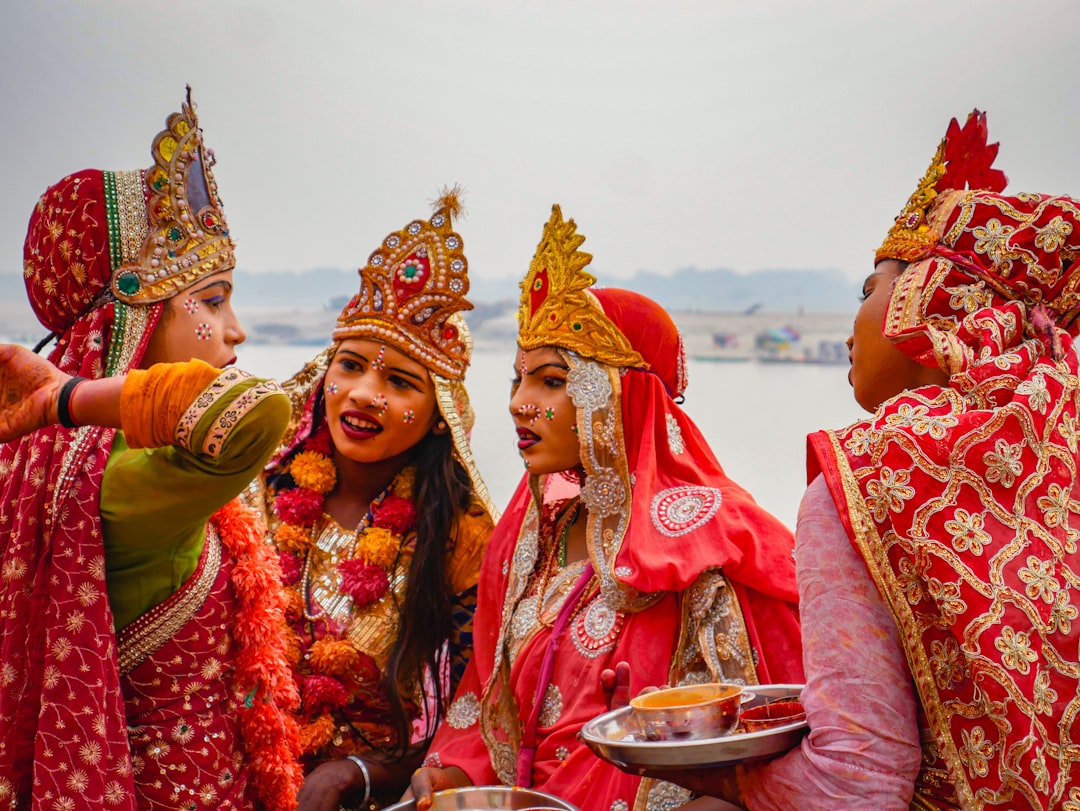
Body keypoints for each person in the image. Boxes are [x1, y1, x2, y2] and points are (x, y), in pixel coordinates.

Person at [656, 111, 1080, 810]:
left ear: (931, 300)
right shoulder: (1054, 450)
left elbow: (857, 783)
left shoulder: (869, 479)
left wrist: (719, 782)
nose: (852, 321)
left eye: (869, 289)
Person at [407, 205, 804, 810]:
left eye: (550, 381)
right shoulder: (525, 546)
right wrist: (451, 778)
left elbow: (764, 738)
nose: (520, 403)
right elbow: (483, 710)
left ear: (616, 394)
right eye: (517, 380)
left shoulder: (714, 537)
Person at [0, 89, 301, 811]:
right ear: (138, 313)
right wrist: (70, 398)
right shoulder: (117, 480)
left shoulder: (62, 466)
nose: (236, 331)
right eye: (214, 299)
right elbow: (261, 410)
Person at [243, 190, 498, 810]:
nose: (363, 394)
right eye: (351, 366)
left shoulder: (461, 539)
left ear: (440, 415)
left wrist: (352, 772)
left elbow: (468, 719)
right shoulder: (254, 492)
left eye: (400, 382)